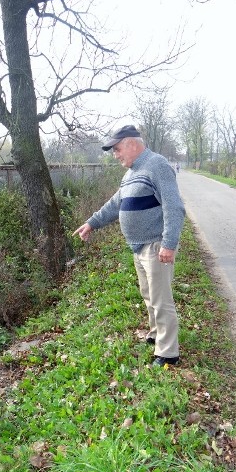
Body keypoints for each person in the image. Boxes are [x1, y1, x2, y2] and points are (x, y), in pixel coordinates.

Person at [73, 125, 185, 367]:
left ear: (132, 143)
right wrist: (91, 223)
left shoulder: (157, 165)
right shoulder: (131, 173)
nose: (115, 154)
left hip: (156, 246)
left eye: (117, 148)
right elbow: (116, 204)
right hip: (139, 247)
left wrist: (169, 244)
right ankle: (156, 334)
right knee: (149, 295)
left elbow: (174, 206)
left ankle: (168, 353)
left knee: (161, 298)